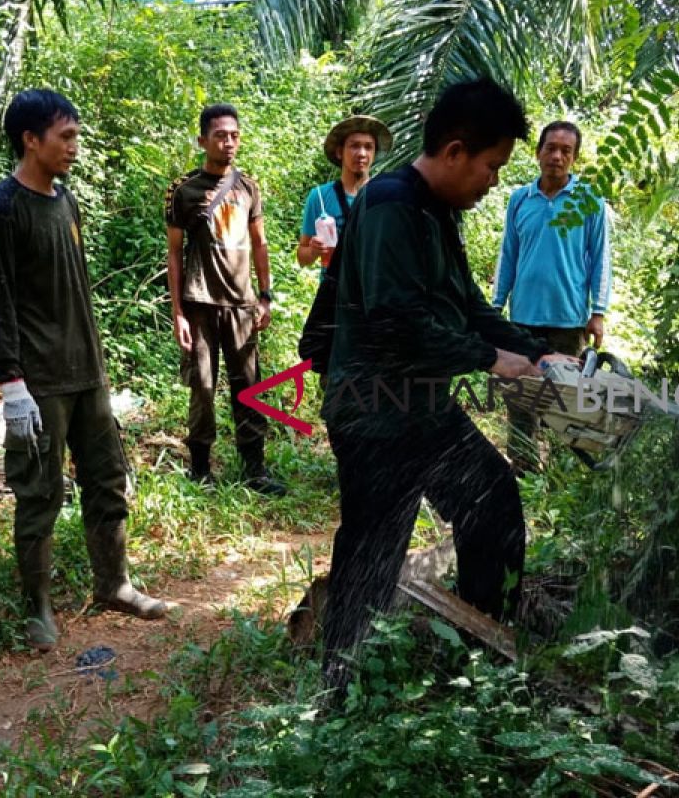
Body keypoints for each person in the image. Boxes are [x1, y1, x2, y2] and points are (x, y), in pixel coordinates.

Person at [320, 78, 577, 691]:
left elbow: (467, 305)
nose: (493, 183)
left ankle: (482, 652)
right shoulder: (389, 207)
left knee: (493, 504)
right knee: (372, 551)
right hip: (374, 411)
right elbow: (393, 323)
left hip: (422, 406)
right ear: (455, 151)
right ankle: (339, 689)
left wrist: (539, 354)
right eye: (491, 167)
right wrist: (489, 359)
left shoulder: (438, 213)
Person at [0, 89, 168, 652]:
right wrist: (11, 383)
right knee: (39, 493)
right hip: (38, 382)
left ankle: (115, 584)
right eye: (66, 137)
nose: (75, 148)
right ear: (30, 140)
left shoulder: (66, 201)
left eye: (76, 136)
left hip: (88, 374)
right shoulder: (0, 209)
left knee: (107, 482)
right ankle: (36, 609)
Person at [165, 103, 285, 495]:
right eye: (220, 135)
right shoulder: (183, 191)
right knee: (202, 386)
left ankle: (255, 468)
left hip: (242, 305)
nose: (228, 141)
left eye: (234, 134)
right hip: (200, 304)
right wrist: (177, 312)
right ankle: (200, 468)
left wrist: (264, 296)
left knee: (248, 385)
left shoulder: (248, 186)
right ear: (203, 140)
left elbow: (260, 242)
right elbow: (173, 253)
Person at [491, 120, 612, 472]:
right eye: (550, 148)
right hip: (523, 318)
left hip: (568, 320)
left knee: (566, 397)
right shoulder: (520, 200)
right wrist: (496, 306)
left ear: (574, 158)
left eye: (565, 151)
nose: (556, 156)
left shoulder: (589, 202)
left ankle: (562, 471)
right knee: (520, 394)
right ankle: (524, 466)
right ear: (537, 153)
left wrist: (598, 311)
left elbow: (601, 258)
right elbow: (508, 254)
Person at [295, 115, 393, 268]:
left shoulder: (385, 196)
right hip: (334, 289)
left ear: (374, 154)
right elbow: (302, 257)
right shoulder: (319, 197)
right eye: (354, 146)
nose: (362, 153)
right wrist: (314, 251)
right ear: (340, 152)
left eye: (368, 147)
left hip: (372, 289)